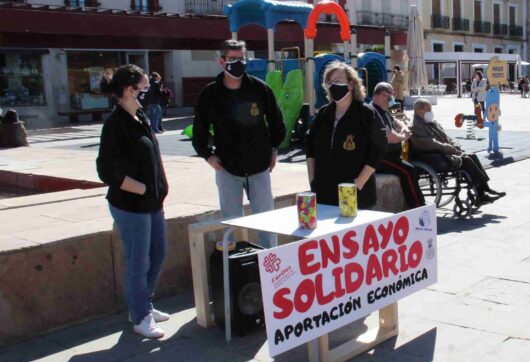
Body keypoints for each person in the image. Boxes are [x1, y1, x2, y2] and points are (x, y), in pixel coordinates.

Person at [96, 65, 170, 339]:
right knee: (138, 262)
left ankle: (143, 304)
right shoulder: (115, 125)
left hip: (152, 204)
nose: (146, 92)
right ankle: (140, 316)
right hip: (130, 206)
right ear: (129, 90)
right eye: (143, 87)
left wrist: (157, 189)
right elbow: (106, 170)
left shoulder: (140, 116)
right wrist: (140, 189)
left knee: (158, 254)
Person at [192, 40, 286, 248]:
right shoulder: (210, 94)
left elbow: (277, 123)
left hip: (259, 167)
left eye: (242, 58)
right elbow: (199, 130)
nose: (238, 63)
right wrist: (207, 155)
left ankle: (271, 269)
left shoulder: (260, 89)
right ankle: (234, 270)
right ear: (222, 61)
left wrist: (273, 149)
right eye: (233, 59)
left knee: (267, 223)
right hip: (227, 168)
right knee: (231, 224)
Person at [305, 61, 387, 208]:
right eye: (329, 82)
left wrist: (358, 183)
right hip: (324, 194)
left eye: (338, 81)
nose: (333, 86)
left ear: (351, 85)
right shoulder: (323, 114)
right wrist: (312, 180)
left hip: (356, 194)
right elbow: (310, 146)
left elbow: (378, 149)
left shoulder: (366, 113)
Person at [409, 98, 505, 204]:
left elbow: (447, 137)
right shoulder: (415, 126)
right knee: (466, 160)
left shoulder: (431, 122)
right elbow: (429, 143)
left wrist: (455, 145)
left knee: (472, 156)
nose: (431, 112)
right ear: (419, 111)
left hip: (442, 152)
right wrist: (450, 148)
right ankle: (481, 195)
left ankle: (485, 188)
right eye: (428, 110)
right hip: (431, 157)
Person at [370, 82, 425, 209]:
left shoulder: (383, 111)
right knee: (408, 171)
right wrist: (403, 137)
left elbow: (396, 121)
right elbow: (390, 138)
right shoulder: (373, 112)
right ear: (375, 96)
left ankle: (410, 202)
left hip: (392, 155)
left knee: (414, 168)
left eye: (390, 96)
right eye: (385, 96)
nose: (388, 99)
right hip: (381, 158)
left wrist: (404, 128)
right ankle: (418, 207)